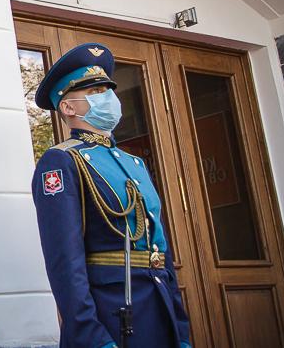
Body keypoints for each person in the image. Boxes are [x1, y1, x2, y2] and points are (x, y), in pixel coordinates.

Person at [31, 42, 191, 347]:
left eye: (108, 90)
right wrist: (91, 336)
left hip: (158, 310)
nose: (109, 99)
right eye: (95, 93)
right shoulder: (62, 161)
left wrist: (180, 328)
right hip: (113, 317)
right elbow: (65, 261)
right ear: (68, 107)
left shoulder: (134, 163)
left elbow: (160, 250)